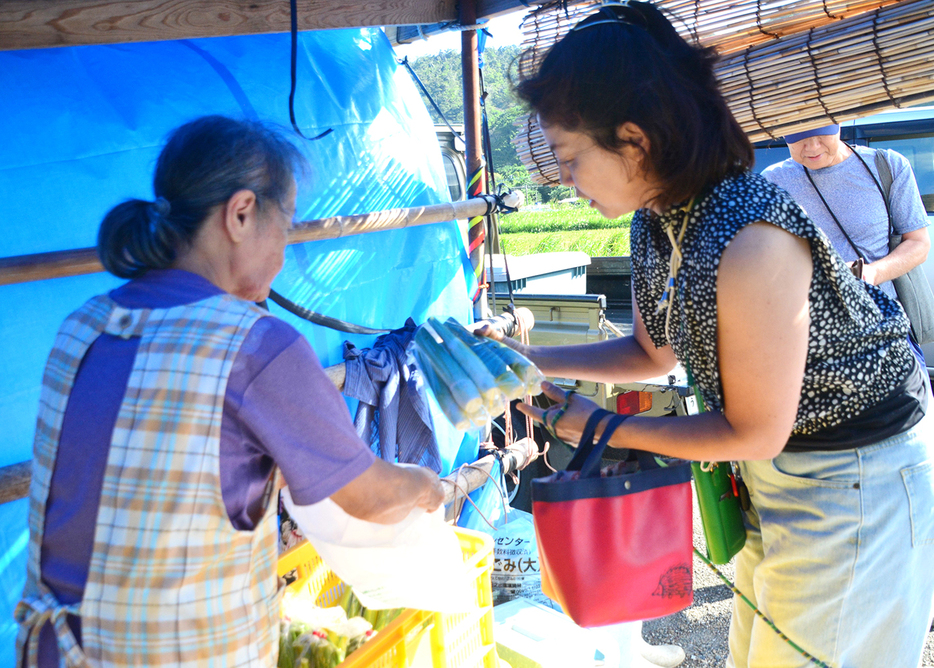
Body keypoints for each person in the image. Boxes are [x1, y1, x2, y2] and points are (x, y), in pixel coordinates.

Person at [480, 3, 934, 667]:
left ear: (634, 141)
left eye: (572, 158)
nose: (568, 182)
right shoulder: (657, 218)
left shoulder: (752, 239)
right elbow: (649, 352)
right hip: (778, 474)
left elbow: (755, 429)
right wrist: (526, 359)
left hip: (854, 479)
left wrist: (601, 425)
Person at [15, 115, 444, 668]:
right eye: (285, 226)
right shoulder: (256, 346)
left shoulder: (85, 323)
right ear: (241, 214)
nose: (285, 253)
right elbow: (368, 496)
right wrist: (425, 485)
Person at [761, 123, 931, 360]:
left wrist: (870, 273)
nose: (811, 146)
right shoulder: (771, 182)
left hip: (885, 322)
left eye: (821, 133)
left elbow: (918, 243)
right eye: (798, 137)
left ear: (838, 123)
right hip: (813, 333)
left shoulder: (888, 165)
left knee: (910, 396)